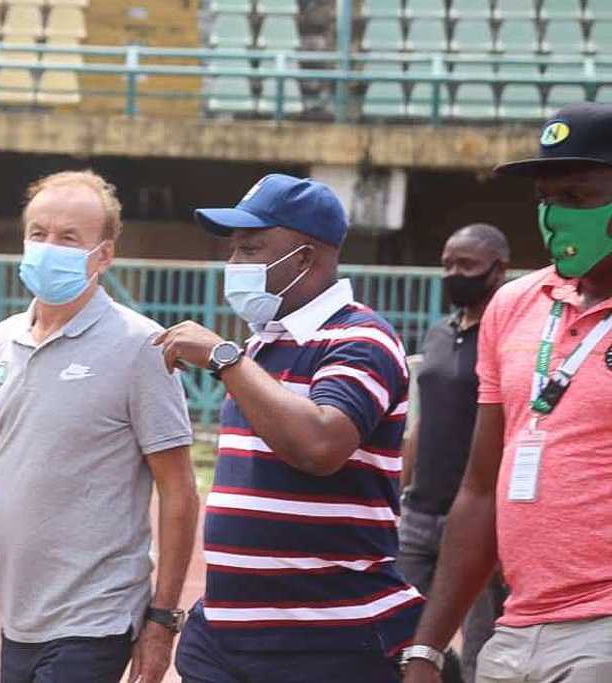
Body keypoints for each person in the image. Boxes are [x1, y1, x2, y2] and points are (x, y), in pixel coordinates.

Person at [0, 171, 201, 683]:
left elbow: (178, 490)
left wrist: (161, 620)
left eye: (69, 238)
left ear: (104, 255)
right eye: (39, 234)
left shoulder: (141, 347)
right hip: (21, 619)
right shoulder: (1, 343)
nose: (50, 248)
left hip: (97, 618)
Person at [157, 174, 423, 682]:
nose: (234, 265)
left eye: (252, 248)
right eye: (233, 250)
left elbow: (321, 445)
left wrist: (223, 358)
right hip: (228, 639)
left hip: (325, 640)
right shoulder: (263, 346)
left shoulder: (361, 338)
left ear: (304, 258)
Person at [403, 105, 612, 683]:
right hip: (516, 626)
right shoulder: (515, 306)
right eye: (546, 200)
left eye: (577, 198)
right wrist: (426, 647)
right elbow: (479, 488)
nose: (554, 219)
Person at [399, 223, 511, 683]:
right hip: (418, 515)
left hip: (481, 521)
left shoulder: (507, 336)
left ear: (497, 270)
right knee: (402, 638)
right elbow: (426, 419)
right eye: (448, 264)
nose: (453, 274)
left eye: (467, 265)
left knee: (483, 646)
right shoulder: (439, 334)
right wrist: (401, 489)